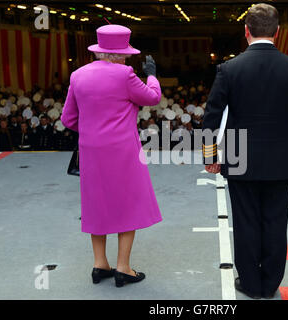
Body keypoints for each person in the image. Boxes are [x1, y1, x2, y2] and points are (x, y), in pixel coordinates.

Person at [202, 3, 288, 299]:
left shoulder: (229, 69)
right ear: (278, 32)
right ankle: (270, 283)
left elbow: (211, 117)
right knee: (276, 222)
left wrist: (211, 157)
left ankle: (251, 283)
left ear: (246, 31)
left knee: (246, 221)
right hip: (282, 159)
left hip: (240, 156)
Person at [61, 24, 162, 288]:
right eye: (126, 53)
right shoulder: (125, 74)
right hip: (122, 150)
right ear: (118, 54)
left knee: (96, 204)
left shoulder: (78, 75)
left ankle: (100, 264)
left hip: (91, 151)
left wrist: (93, 127)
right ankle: (123, 268)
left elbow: (68, 118)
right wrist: (152, 76)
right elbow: (153, 98)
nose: (129, 58)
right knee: (127, 204)